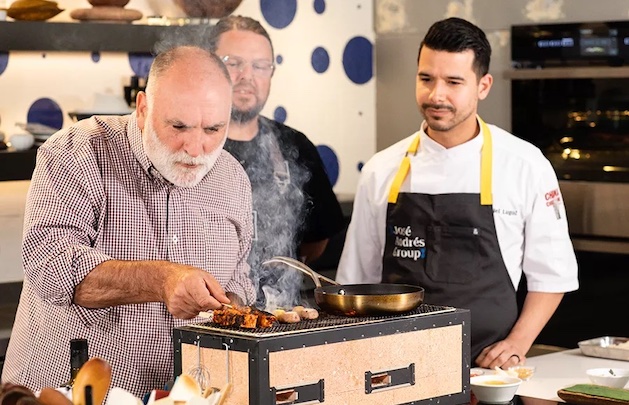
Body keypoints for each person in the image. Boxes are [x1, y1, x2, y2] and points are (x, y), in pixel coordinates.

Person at [2, 46, 256, 397]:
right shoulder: (77, 152)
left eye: (213, 128)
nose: (196, 149)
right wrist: (162, 280)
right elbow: (50, 267)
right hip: (64, 395)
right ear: (142, 109)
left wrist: (231, 303)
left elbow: (240, 276)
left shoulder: (233, 179)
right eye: (178, 126)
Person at [336, 17, 579, 369]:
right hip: (394, 365)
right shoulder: (381, 169)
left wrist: (516, 342)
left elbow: (552, 274)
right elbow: (357, 280)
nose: (436, 95)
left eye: (453, 82)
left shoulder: (525, 165)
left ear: (483, 85)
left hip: (487, 369)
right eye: (426, 79)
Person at [208, 16, 345, 308]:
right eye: (233, 63)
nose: (247, 75)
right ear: (210, 66)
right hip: (204, 316)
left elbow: (318, 239)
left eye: (260, 66)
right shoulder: (191, 145)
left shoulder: (295, 147)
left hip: (280, 318)